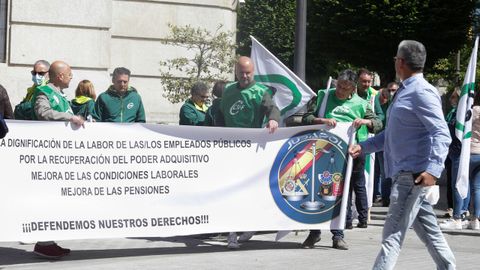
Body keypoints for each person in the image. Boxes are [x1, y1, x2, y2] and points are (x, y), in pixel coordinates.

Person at [349, 40, 455, 269]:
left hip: (411, 176)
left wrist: (434, 170)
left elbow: (441, 133)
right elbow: (392, 134)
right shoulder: (406, 91)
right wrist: (364, 147)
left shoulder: (421, 92)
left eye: (396, 58)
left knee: (391, 236)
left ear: (401, 62)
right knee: (430, 233)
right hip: (406, 174)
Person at [301, 69, 382, 250]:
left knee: (341, 193)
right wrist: (320, 120)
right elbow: (305, 118)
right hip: (321, 152)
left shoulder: (361, 104)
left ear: (353, 89)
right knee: (318, 191)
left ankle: (338, 235)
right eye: (339, 85)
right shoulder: (323, 96)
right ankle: (314, 232)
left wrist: (364, 122)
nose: (340, 91)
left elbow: (378, 123)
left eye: (345, 88)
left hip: (349, 154)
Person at [217, 56, 280, 249]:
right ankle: (232, 232)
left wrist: (273, 119)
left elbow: (273, 109)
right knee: (231, 191)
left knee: (250, 190)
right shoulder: (227, 90)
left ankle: (249, 225)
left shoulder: (260, 91)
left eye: (248, 72)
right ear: (236, 72)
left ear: (253, 72)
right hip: (229, 148)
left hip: (252, 150)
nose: (245, 76)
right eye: (241, 72)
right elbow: (219, 114)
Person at [31, 60, 85, 259]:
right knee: (48, 199)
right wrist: (69, 118)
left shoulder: (61, 95)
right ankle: (43, 243)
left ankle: (49, 241)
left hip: (60, 158)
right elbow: (43, 113)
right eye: (70, 74)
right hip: (48, 157)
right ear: (60, 76)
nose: (72, 77)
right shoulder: (44, 92)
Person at [440, 88, 470, 230]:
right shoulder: (452, 112)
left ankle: (461, 212)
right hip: (451, 151)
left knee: (458, 183)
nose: (451, 100)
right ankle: (458, 210)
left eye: (453, 97)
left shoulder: (462, 113)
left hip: (459, 151)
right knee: (458, 182)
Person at [374, 82, 399, 207]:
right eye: (389, 90)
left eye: (394, 90)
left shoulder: (396, 104)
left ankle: (387, 196)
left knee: (389, 171)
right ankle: (385, 198)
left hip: (394, 142)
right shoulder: (380, 103)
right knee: (383, 172)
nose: (391, 93)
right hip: (381, 141)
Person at [469, 90, 480, 230]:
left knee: (464, 185)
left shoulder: (475, 110)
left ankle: (461, 215)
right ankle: (476, 217)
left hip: (472, 150)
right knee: (478, 187)